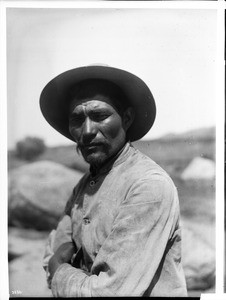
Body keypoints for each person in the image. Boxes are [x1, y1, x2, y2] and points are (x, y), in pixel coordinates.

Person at [40, 65, 187, 297]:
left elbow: (108, 292)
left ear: (126, 119)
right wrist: (59, 261)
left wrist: (59, 271)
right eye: (77, 119)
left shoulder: (148, 185)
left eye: (99, 116)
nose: (86, 131)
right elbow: (55, 248)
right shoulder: (84, 184)